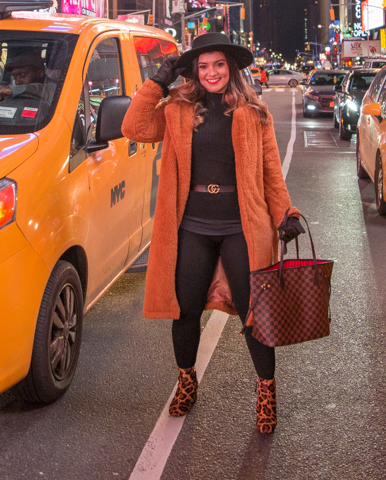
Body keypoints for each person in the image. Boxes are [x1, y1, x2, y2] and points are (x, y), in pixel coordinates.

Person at [121, 32, 304, 434]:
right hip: (191, 226)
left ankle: (266, 392)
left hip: (242, 225)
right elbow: (133, 126)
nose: (211, 72)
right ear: (193, 72)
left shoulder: (255, 113)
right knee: (184, 310)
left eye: (218, 64)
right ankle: (187, 382)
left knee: (256, 316)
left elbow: (271, 173)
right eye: (202, 66)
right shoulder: (177, 110)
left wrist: (285, 213)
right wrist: (157, 82)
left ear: (232, 68)